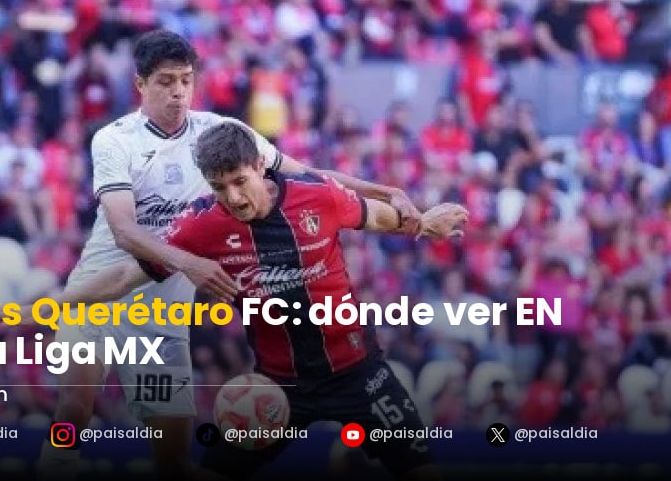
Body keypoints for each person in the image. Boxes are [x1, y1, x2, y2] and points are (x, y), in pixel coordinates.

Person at [37, 29, 425, 480]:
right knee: (75, 407)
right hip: (103, 288)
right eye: (166, 81)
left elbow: (307, 176)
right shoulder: (114, 139)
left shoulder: (222, 134)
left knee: (173, 462)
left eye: (186, 80)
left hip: (162, 308)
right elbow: (124, 230)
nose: (178, 91)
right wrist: (189, 263)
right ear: (140, 84)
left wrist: (385, 191)